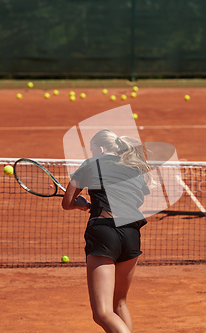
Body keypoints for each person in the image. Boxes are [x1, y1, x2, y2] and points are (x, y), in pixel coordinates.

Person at [62, 129, 153, 333]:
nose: (91, 154)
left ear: (101, 148)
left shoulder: (90, 164)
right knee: (118, 304)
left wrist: (81, 204)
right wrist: (93, 202)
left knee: (102, 313)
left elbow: (67, 203)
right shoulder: (134, 167)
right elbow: (133, 197)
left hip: (105, 232)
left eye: (92, 149)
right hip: (131, 233)